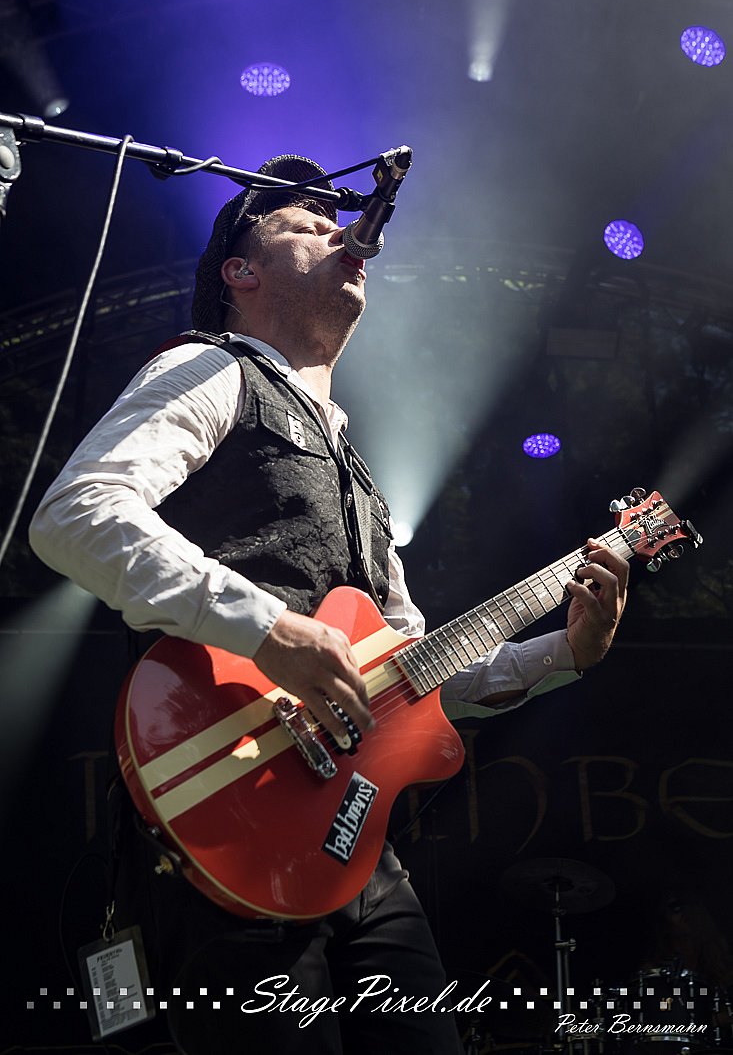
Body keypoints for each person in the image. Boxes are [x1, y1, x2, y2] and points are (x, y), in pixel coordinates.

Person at [29, 153, 629, 1054]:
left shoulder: (359, 480)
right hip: (227, 808)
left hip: (354, 849)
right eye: (305, 225)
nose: (339, 232)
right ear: (241, 273)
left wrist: (565, 654)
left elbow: (411, 683)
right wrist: (266, 628)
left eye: (335, 220)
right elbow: (77, 513)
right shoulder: (210, 369)